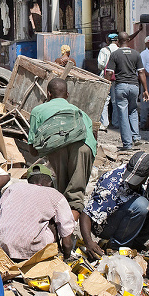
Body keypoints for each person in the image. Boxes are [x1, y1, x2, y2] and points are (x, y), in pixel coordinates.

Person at [28, 78, 96, 217]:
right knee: (75, 195)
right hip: (85, 147)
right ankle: (67, 233)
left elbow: (33, 150)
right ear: (67, 95)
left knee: (61, 193)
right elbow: (92, 137)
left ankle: (63, 233)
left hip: (58, 146)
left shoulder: (38, 110)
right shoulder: (79, 112)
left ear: (48, 94)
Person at [79, 151, 149, 259]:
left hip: (126, 217)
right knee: (141, 205)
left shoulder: (147, 176)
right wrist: (88, 242)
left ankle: (133, 245)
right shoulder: (111, 183)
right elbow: (86, 214)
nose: (132, 183)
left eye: (136, 180)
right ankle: (116, 246)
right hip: (105, 225)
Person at [0, 171, 76, 261]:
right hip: (30, 250)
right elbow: (66, 236)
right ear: (50, 183)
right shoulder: (54, 195)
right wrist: (66, 258)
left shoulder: (13, 187)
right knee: (52, 224)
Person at [105, 33, 149, 151]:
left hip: (121, 87)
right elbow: (141, 73)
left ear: (118, 41)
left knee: (123, 115)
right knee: (133, 111)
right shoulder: (136, 54)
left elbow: (109, 73)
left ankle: (127, 144)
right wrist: (145, 89)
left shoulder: (115, 54)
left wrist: (105, 85)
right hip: (134, 87)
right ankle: (136, 137)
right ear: (128, 40)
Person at [98, 33, 120, 130]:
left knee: (105, 100)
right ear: (117, 40)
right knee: (115, 101)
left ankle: (105, 123)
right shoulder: (119, 50)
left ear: (108, 40)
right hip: (117, 78)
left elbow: (100, 64)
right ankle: (115, 122)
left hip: (105, 77)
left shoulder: (104, 50)